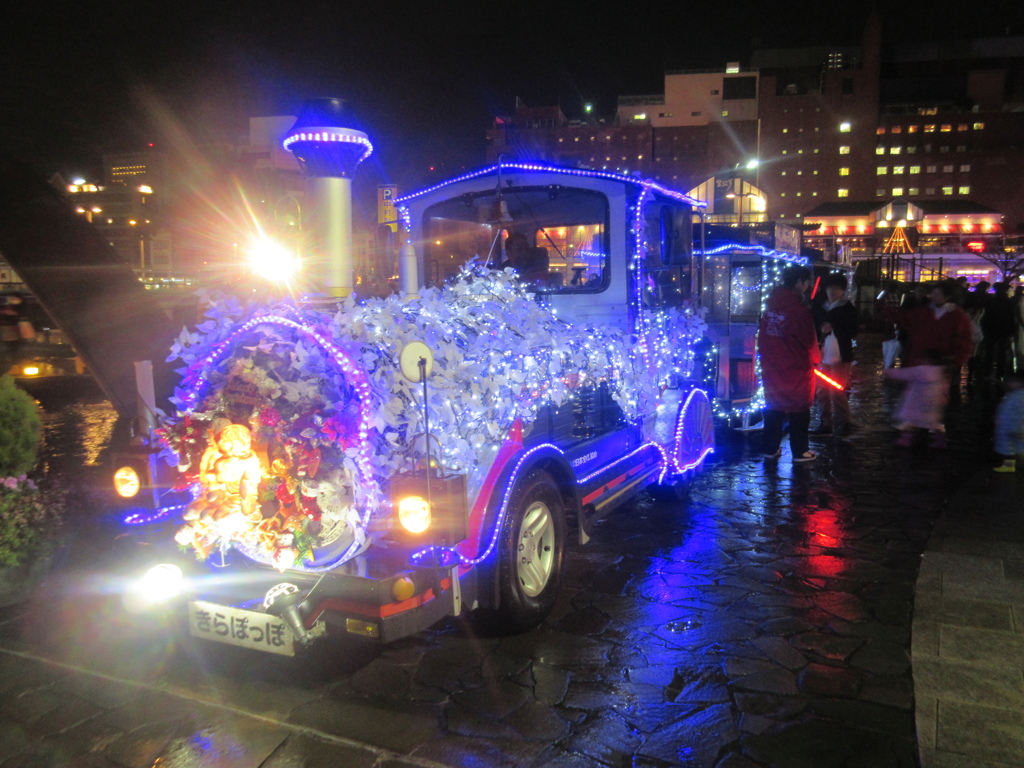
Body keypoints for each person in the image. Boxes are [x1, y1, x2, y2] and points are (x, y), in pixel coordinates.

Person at [757, 264, 820, 463]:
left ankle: (770, 448)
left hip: (772, 365)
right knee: (799, 408)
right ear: (800, 282)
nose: (808, 286)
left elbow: (763, 337)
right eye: (806, 282)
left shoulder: (771, 306)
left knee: (774, 406)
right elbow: (808, 340)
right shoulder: (799, 309)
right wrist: (817, 360)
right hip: (796, 366)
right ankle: (800, 451)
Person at [811, 274, 858, 435]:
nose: (832, 291)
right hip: (822, 354)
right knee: (822, 391)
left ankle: (844, 422)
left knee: (838, 390)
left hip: (840, 356)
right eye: (830, 288)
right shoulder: (819, 306)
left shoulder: (848, 308)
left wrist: (834, 328)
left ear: (842, 290)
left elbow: (853, 330)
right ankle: (826, 424)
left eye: (836, 288)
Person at [884, 349, 949, 447]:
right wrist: (944, 397)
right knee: (934, 423)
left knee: (910, 422)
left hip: (916, 402)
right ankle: (941, 441)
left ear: (927, 359)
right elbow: (944, 386)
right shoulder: (940, 372)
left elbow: (904, 374)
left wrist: (888, 372)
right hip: (932, 404)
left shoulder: (920, 370)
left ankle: (905, 440)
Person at [993, 374, 1024, 472]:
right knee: (1019, 446)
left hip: (1010, 427)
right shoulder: (1019, 395)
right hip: (1018, 426)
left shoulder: (1014, 396)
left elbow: (1007, 411)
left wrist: (1000, 420)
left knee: (1007, 447)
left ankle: (1009, 466)